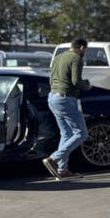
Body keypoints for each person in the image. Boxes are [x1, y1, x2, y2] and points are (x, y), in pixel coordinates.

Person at [43, 38, 91, 179]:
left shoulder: (58, 57)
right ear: (82, 48)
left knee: (66, 134)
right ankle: (53, 158)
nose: (84, 53)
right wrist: (87, 86)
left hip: (53, 97)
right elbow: (76, 81)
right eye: (85, 50)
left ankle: (62, 170)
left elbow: (51, 79)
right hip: (66, 99)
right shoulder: (76, 58)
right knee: (81, 133)